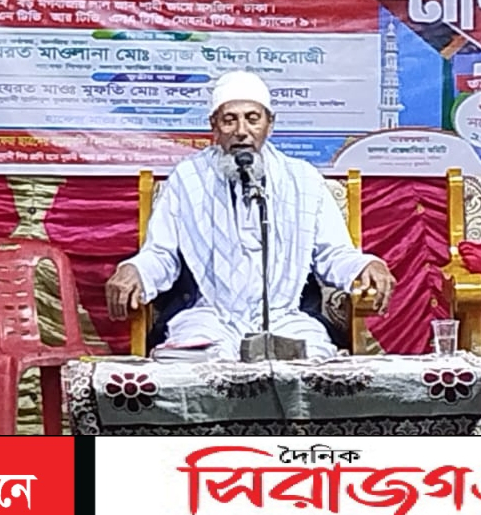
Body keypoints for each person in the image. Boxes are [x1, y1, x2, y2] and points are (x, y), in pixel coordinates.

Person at [105, 71, 397, 361]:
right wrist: (135, 270)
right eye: (229, 120)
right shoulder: (188, 178)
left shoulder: (303, 179)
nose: (241, 130)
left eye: (252, 118)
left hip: (286, 316)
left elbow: (332, 253)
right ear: (214, 127)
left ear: (270, 123)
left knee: (312, 364)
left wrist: (365, 265)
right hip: (210, 315)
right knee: (189, 364)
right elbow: (162, 253)